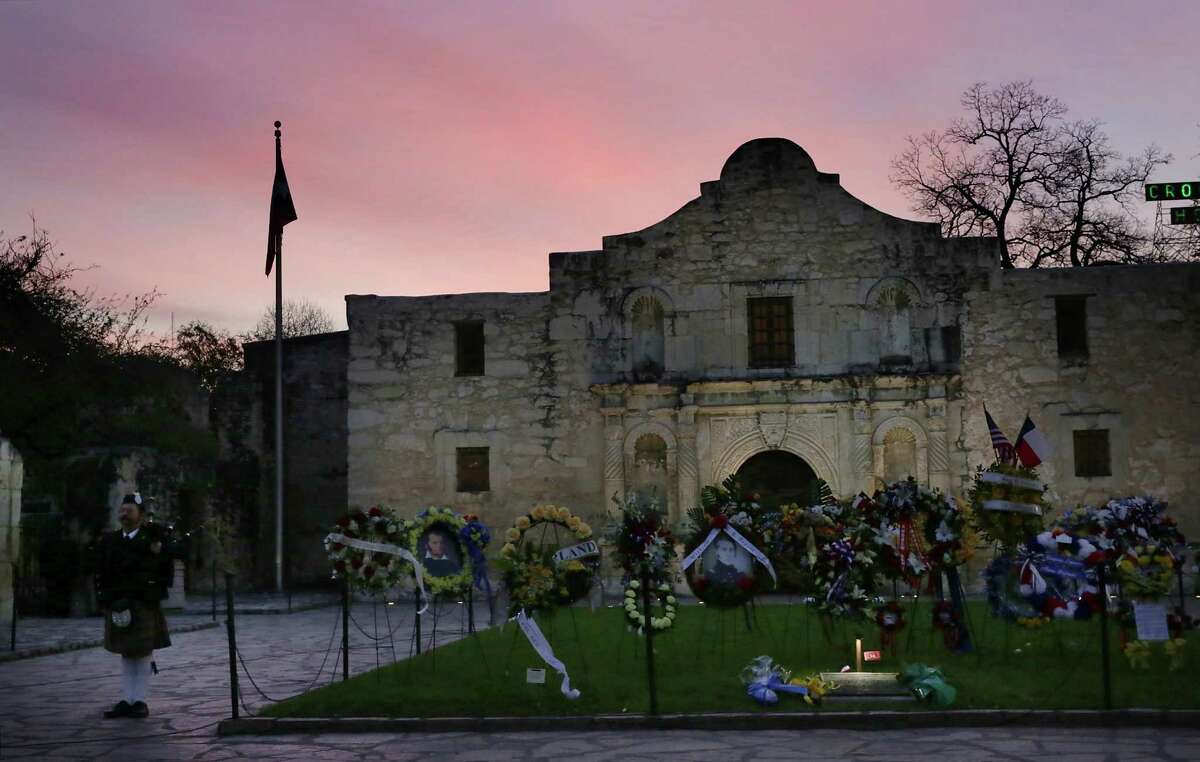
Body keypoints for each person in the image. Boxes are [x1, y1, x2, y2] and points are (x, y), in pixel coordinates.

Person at [94, 493, 173, 719]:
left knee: (143, 652)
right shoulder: (110, 540)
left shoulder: (153, 539)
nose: (124, 515)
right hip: (118, 602)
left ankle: (140, 699)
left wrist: (158, 539)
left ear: (141, 515)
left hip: (143, 602)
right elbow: (101, 570)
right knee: (127, 653)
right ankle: (127, 699)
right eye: (122, 510)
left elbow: (168, 564)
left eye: (130, 511)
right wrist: (106, 599)